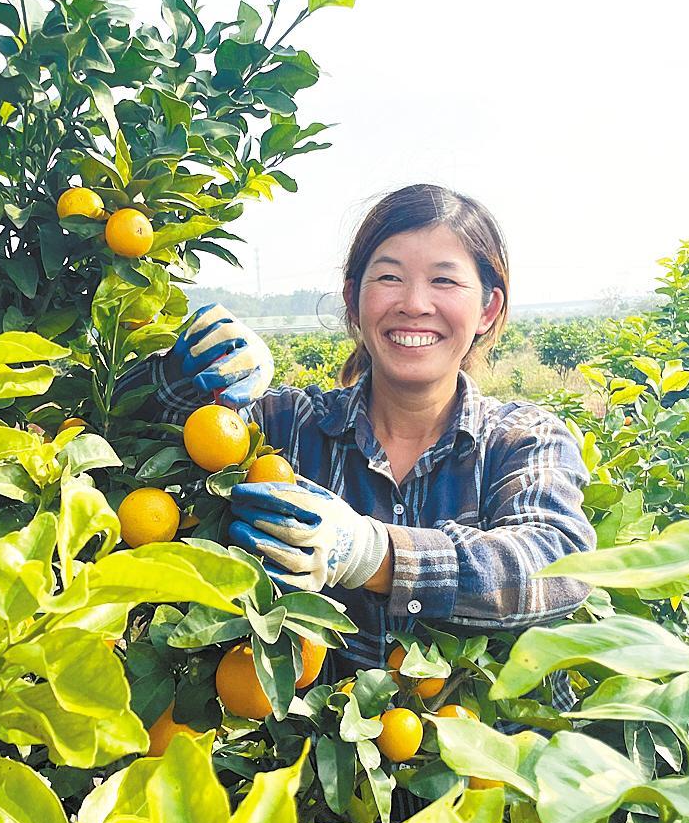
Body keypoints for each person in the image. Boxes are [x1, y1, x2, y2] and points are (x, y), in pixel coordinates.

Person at [134, 183, 594, 693]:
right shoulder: (290, 428)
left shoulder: (522, 441)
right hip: (302, 768)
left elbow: (559, 565)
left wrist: (377, 554)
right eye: (390, 278)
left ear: (488, 309)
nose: (415, 304)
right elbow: (128, 447)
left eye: (444, 280)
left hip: (487, 767)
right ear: (354, 299)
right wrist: (177, 377)